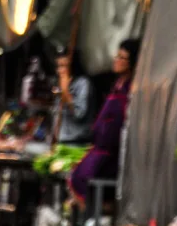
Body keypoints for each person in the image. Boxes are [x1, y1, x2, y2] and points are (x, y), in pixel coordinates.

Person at [69, 39, 141, 206]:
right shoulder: (115, 86)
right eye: (117, 56)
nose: (117, 60)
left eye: (122, 58)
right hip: (98, 148)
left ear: (131, 63)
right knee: (76, 175)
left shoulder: (130, 90)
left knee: (87, 175)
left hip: (111, 155)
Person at [55, 49, 94, 144]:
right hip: (61, 140)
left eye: (64, 66)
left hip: (77, 142)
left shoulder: (83, 83)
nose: (60, 70)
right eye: (58, 66)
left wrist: (66, 92)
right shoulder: (60, 84)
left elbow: (79, 114)